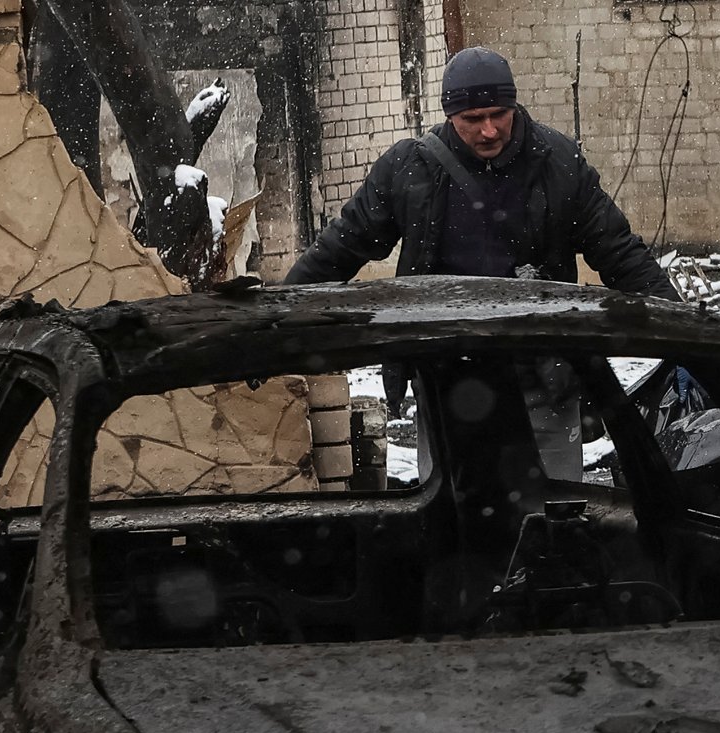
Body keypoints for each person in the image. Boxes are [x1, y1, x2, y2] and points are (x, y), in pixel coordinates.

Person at [284, 48, 678, 476]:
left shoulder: (559, 164)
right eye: (473, 119)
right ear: (450, 115)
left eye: (499, 114)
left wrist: (683, 332)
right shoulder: (408, 170)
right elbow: (340, 249)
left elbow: (619, 251)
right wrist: (277, 318)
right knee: (456, 516)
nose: (489, 130)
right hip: (448, 378)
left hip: (545, 377)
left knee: (559, 514)